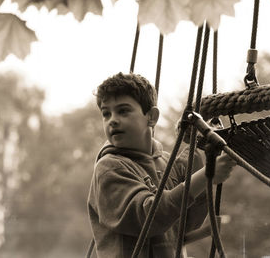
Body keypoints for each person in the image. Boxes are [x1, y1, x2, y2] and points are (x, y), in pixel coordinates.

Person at [87, 72, 236, 258]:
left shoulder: (167, 163)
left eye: (123, 111)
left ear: (151, 117)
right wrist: (205, 176)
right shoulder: (110, 168)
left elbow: (187, 223)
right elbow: (150, 218)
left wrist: (198, 162)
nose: (113, 120)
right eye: (106, 114)